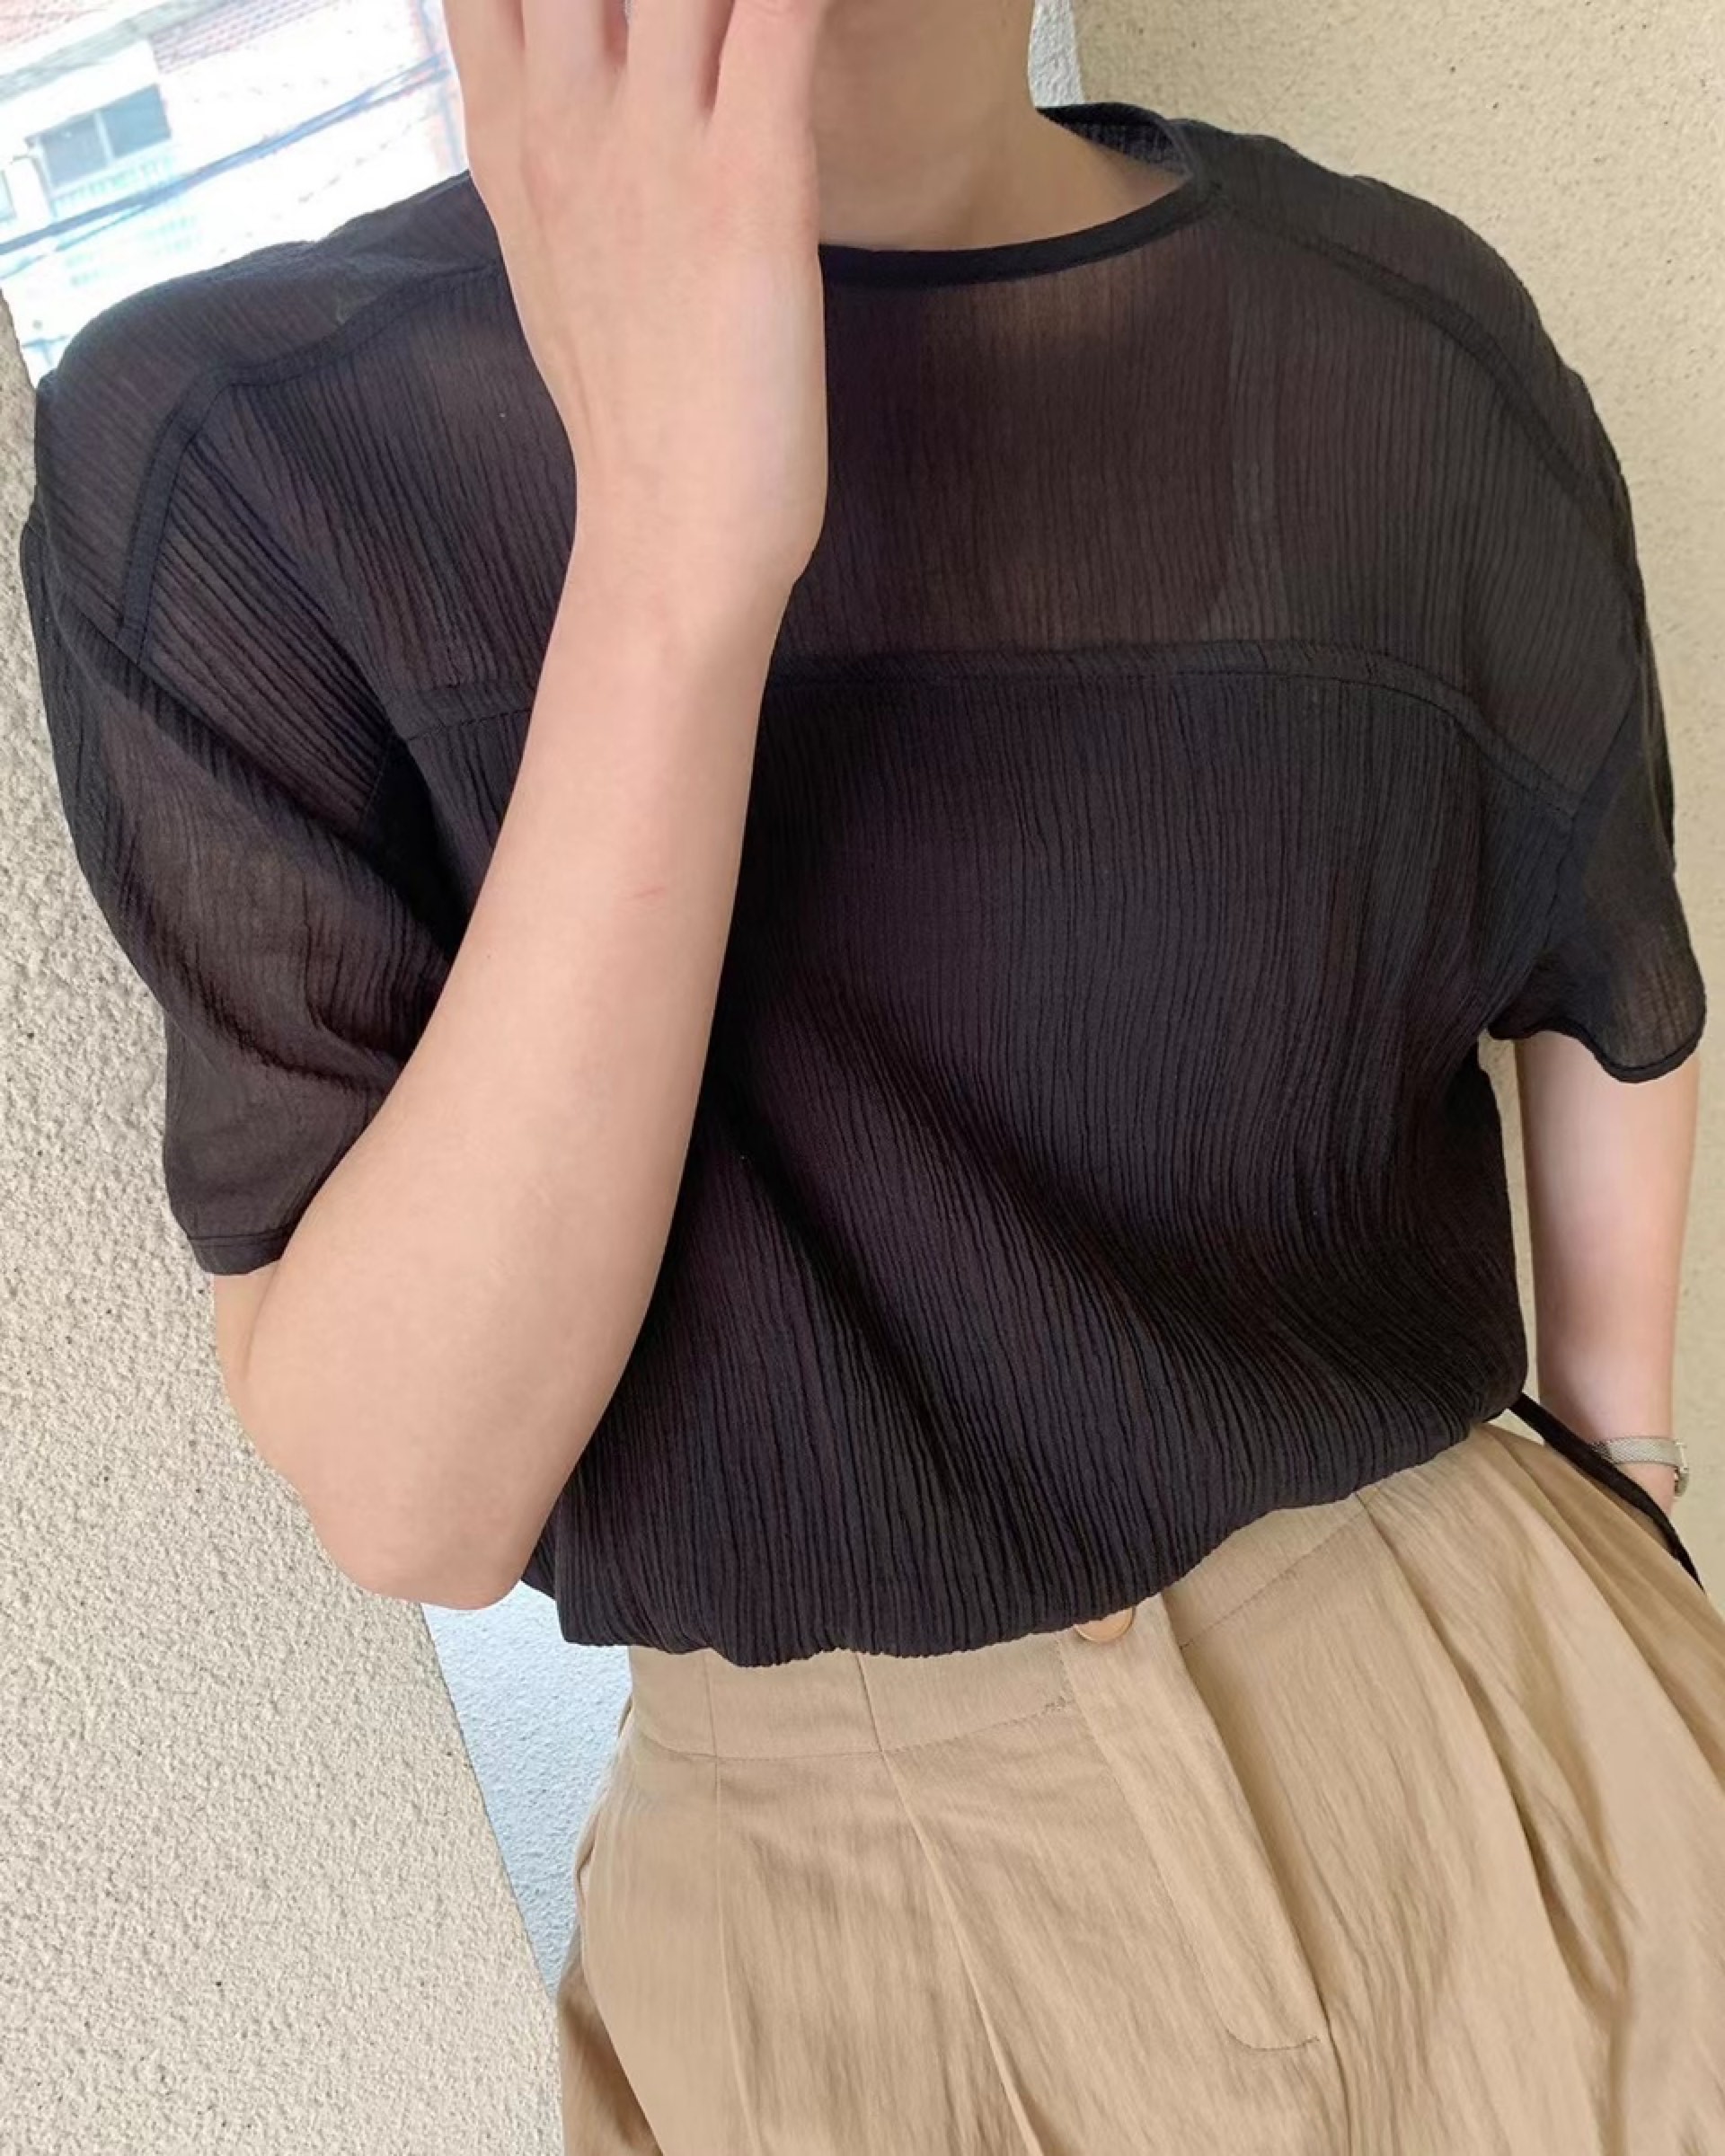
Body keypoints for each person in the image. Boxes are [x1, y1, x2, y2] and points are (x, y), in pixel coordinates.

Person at [18, 0, 1725, 2148]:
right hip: (847, 1934)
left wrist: (1626, 1478)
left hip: (1507, 1735)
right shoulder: (244, 457)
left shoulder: (1398, 335)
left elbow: (1599, 950)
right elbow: (413, 1492)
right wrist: (674, 563)